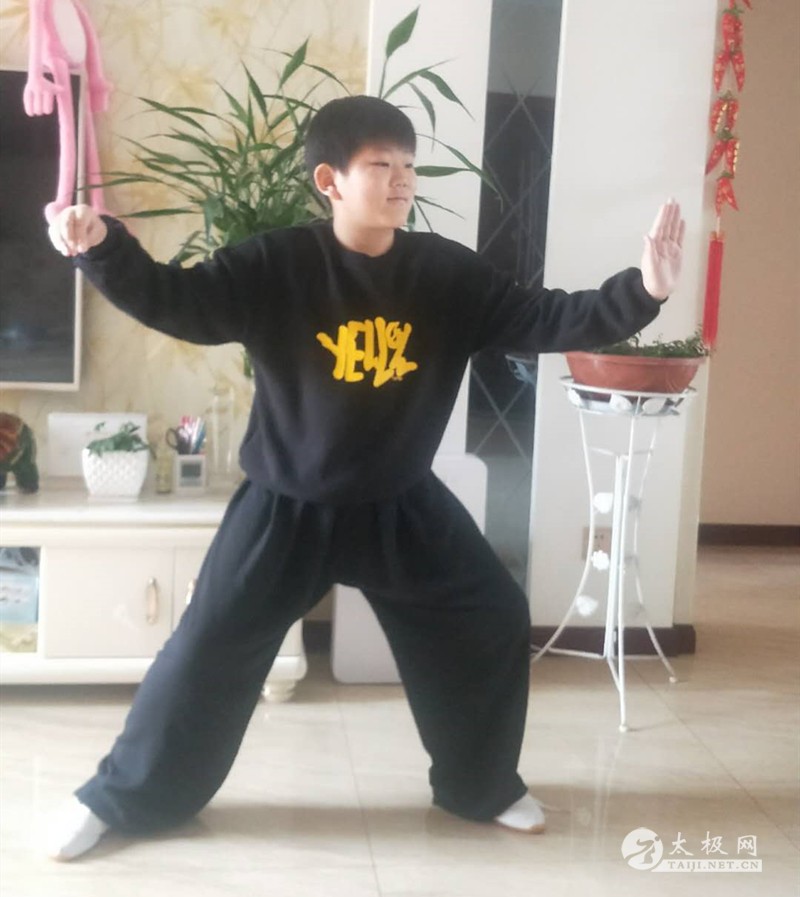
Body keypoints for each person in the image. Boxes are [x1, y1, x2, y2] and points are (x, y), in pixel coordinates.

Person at [46, 95, 685, 861]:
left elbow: (543, 316)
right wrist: (104, 250)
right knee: (204, 650)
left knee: (489, 614)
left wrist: (643, 292)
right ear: (331, 180)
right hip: (287, 506)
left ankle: (481, 786)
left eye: (408, 164)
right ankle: (121, 799)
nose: (401, 179)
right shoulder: (276, 263)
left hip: (400, 504)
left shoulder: (444, 273)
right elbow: (179, 301)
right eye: (381, 164)